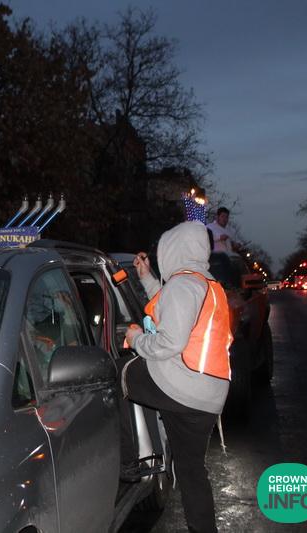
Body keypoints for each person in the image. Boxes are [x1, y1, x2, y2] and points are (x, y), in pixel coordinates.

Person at [121, 221, 232, 533]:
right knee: (191, 471)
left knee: (120, 373)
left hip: (182, 386)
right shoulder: (205, 284)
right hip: (207, 395)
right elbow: (170, 307)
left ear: (173, 250)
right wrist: (147, 278)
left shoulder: (183, 285)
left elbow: (169, 342)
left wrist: (136, 338)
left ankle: (129, 459)